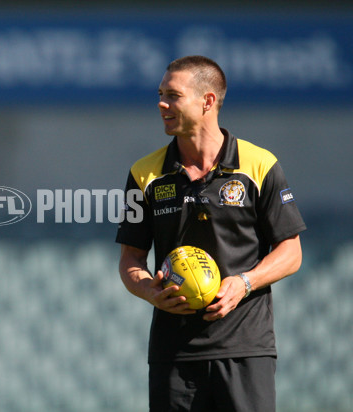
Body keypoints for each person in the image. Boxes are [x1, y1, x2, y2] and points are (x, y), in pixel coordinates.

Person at [116, 55, 306, 412]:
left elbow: (291, 252)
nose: (162, 104)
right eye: (160, 94)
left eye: (173, 95)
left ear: (208, 102)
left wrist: (244, 283)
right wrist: (148, 290)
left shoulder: (259, 164)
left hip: (246, 351)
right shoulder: (144, 174)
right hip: (173, 354)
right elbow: (131, 258)